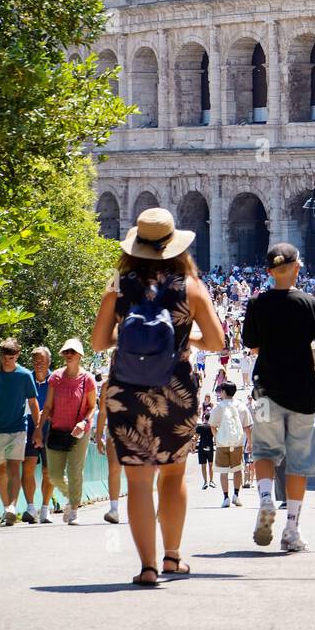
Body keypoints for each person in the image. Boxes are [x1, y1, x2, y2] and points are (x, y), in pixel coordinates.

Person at [90, 206, 225, 586]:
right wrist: (184, 340)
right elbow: (217, 341)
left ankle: (146, 567)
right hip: (175, 388)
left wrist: (129, 343)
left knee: (137, 480)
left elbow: (99, 341)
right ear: (174, 246)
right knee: (173, 473)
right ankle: (172, 557)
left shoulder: (117, 282)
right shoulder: (191, 286)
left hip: (126, 389)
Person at [242, 242, 315, 552]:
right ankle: (291, 529)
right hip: (302, 392)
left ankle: (264, 501)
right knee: (299, 463)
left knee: (263, 450)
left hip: (264, 391)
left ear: (269, 272)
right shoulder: (311, 304)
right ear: (298, 268)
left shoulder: (257, 305)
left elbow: (253, 345)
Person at [34, 340, 97, 525]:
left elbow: (92, 407)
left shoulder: (88, 380)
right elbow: (47, 406)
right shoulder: (56, 378)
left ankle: (74, 511)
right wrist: (38, 429)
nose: (69, 354)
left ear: (80, 355)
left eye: (73, 351)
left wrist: (84, 422)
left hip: (79, 432)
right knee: (53, 475)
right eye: (66, 351)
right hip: (57, 430)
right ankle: (73, 497)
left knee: (75, 471)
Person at [0, 338, 41, 525]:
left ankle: (12, 507)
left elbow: (33, 402)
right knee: (1, 470)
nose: (8, 361)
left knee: (14, 467)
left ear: (18, 355)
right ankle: (6, 507)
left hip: (18, 429)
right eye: (5, 357)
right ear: (0, 356)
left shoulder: (24, 376)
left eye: (12, 357)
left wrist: (38, 428)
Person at [22, 345, 54, 523]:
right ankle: (30, 508)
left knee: (48, 471)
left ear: (49, 361)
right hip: (29, 427)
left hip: (50, 428)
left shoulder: (56, 379)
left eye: (42, 361)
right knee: (28, 467)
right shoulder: (27, 378)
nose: (38, 364)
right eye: (35, 361)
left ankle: (45, 509)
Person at [209, 382, 251, 507]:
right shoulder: (241, 406)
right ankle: (236, 495)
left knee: (223, 471)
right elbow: (247, 426)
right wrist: (250, 441)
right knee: (238, 469)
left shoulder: (218, 407)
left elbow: (212, 425)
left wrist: (218, 437)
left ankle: (226, 497)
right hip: (237, 443)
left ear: (224, 392)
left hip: (222, 443)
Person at [95, 377, 123, 523]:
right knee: (114, 468)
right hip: (113, 430)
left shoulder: (140, 378)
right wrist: (99, 435)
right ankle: (114, 509)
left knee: (137, 472)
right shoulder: (108, 385)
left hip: (137, 431)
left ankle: (148, 508)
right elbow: (102, 411)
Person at [194, 412, 215, 488]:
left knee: (203, 465)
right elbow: (215, 437)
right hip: (210, 446)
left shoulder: (200, 427)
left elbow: (195, 438)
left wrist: (193, 448)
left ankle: (205, 482)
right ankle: (211, 481)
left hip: (201, 446)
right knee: (211, 464)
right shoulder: (212, 427)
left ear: (204, 418)